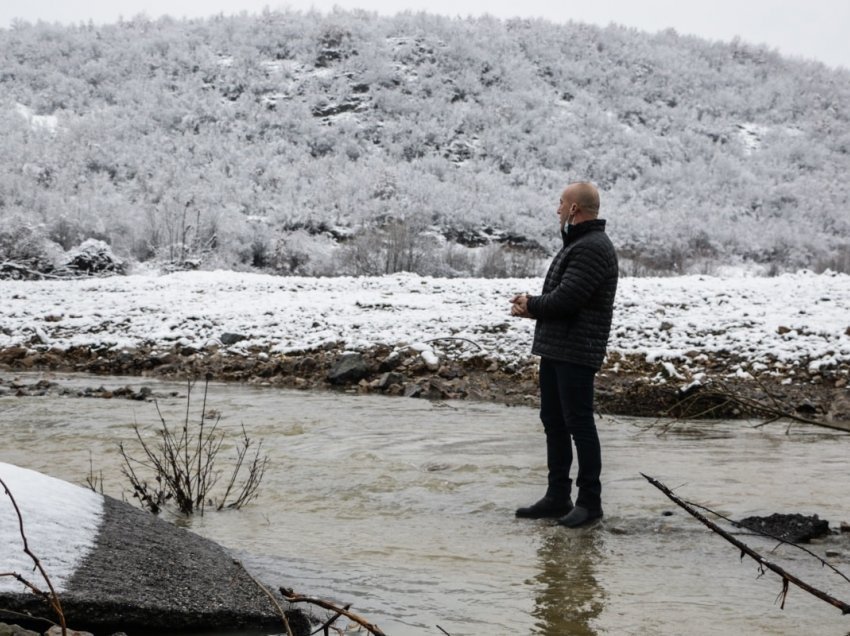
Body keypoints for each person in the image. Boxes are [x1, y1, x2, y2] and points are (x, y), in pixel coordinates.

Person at [510, 182, 618, 528]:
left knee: (579, 425)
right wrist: (534, 307)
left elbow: (568, 299)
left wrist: (531, 305)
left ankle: (590, 502)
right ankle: (558, 496)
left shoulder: (592, 248)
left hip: (577, 351)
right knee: (554, 422)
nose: (557, 209)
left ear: (575, 209)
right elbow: (562, 296)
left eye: (561, 203)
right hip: (559, 347)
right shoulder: (578, 244)